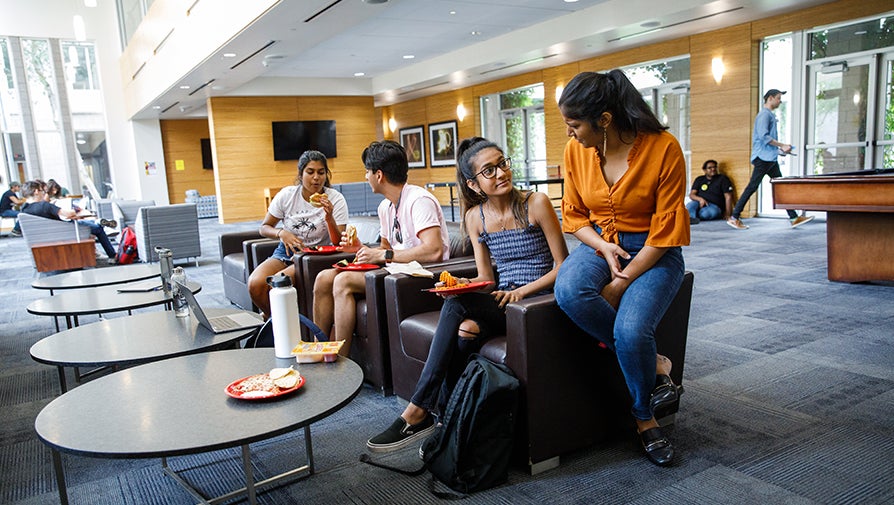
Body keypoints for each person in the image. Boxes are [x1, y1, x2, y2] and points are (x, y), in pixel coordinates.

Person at [366, 137, 568, 452]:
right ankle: (448, 423)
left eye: (503, 164)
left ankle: (419, 410)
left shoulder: (535, 203)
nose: (501, 173)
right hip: (503, 301)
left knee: (462, 312)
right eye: (489, 170)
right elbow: (486, 278)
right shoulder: (477, 218)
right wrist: (461, 286)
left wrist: (522, 293)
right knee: (465, 330)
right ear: (474, 185)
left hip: (537, 303)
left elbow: (562, 266)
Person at [554, 70, 689, 467]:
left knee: (632, 330)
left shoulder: (664, 148)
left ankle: (644, 419)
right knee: (569, 291)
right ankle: (656, 363)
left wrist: (622, 279)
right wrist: (602, 248)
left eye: (575, 125)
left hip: (654, 251)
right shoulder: (575, 152)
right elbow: (575, 215)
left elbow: (666, 235)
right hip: (601, 242)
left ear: (605, 120)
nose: (570, 134)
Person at [312, 140, 450, 355]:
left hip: (424, 275)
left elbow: (434, 250)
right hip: (397, 271)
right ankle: (317, 351)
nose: (365, 177)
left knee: (343, 280)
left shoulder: (419, 200)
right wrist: (360, 248)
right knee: (323, 278)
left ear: (379, 175)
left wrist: (383, 254)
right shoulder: (385, 206)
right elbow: (386, 248)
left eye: (367, 172)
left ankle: (339, 363)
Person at [248, 150, 348, 318]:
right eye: (310, 172)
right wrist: (281, 233)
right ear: (301, 174)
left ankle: (283, 324)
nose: (316, 177)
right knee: (255, 284)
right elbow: (264, 227)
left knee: (277, 286)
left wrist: (329, 217)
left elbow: (338, 242)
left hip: (317, 255)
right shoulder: (287, 195)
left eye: (321, 172)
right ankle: (273, 320)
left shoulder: (335, 199)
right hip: (286, 251)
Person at [728, 89, 814, 230]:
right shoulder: (764, 115)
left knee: (780, 187)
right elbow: (764, 137)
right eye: (778, 98)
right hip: (763, 158)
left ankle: (793, 218)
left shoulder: (768, 115)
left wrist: (781, 150)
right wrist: (782, 145)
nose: (780, 101)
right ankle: (734, 217)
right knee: (753, 187)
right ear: (770, 98)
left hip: (769, 158)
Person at [19, 180, 118, 263]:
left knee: (91, 224)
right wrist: (74, 210)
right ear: (36, 191)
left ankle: (99, 241)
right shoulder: (44, 205)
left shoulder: (24, 209)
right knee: (97, 228)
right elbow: (68, 214)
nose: (43, 193)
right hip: (64, 231)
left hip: (49, 234)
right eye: (41, 191)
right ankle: (113, 255)